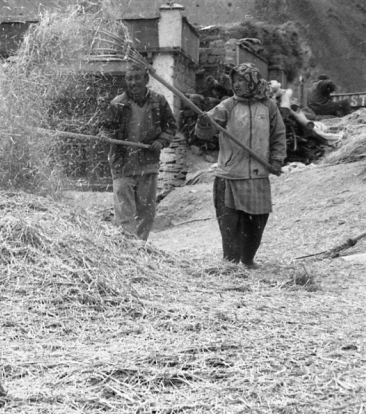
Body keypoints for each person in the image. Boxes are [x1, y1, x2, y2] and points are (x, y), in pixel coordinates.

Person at [195, 63, 287, 269]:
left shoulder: (269, 107)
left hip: (258, 176)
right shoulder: (227, 106)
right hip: (230, 175)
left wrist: (276, 160)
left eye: (242, 81)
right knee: (230, 225)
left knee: (256, 223)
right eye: (234, 81)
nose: (237, 85)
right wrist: (203, 123)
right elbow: (204, 133)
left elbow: (278, 136)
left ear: (253, 82)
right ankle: (230, 263)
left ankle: (248, 260)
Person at [99, 63, 177, 240]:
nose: (133, 82)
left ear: (146, 79)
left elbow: (171, 126)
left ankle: (140, 248)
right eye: (129, 78)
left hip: (147, 164)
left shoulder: (159, 101)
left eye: (137, 77)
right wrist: (105, 135)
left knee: (146, 212)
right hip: (122, 164)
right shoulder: (117, 104)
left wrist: (161, 141)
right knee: (124, 214)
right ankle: (127, 250)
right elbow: (105, 127)